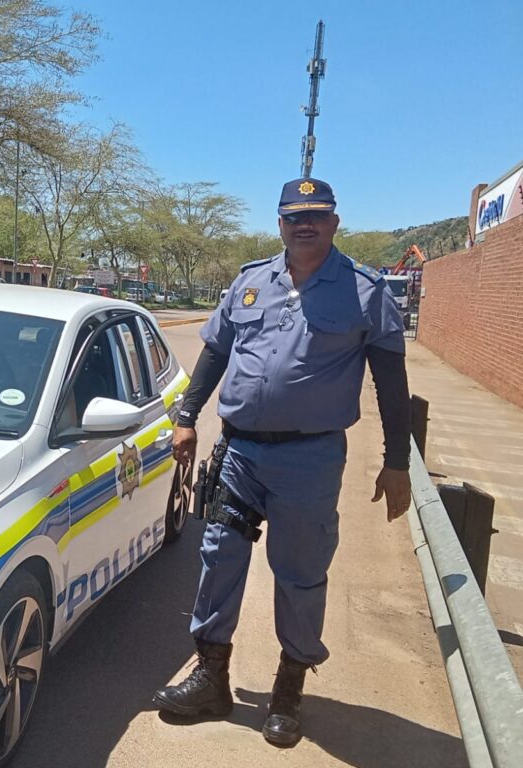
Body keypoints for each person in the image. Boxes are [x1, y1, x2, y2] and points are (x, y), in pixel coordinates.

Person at [152, 178, 412, 747]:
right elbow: (216, 351)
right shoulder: (250, 282)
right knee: (219, 558)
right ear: (280, 224)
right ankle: (212, 677)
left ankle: (288, 690)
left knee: (299, 573)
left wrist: (397, 461)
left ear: (334, 223)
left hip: (309, 460)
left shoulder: (365, 292)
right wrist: (188, 415)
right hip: (240, 450)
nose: (306, 225)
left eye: (317, 215)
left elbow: (392, 383)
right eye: (295, 216)